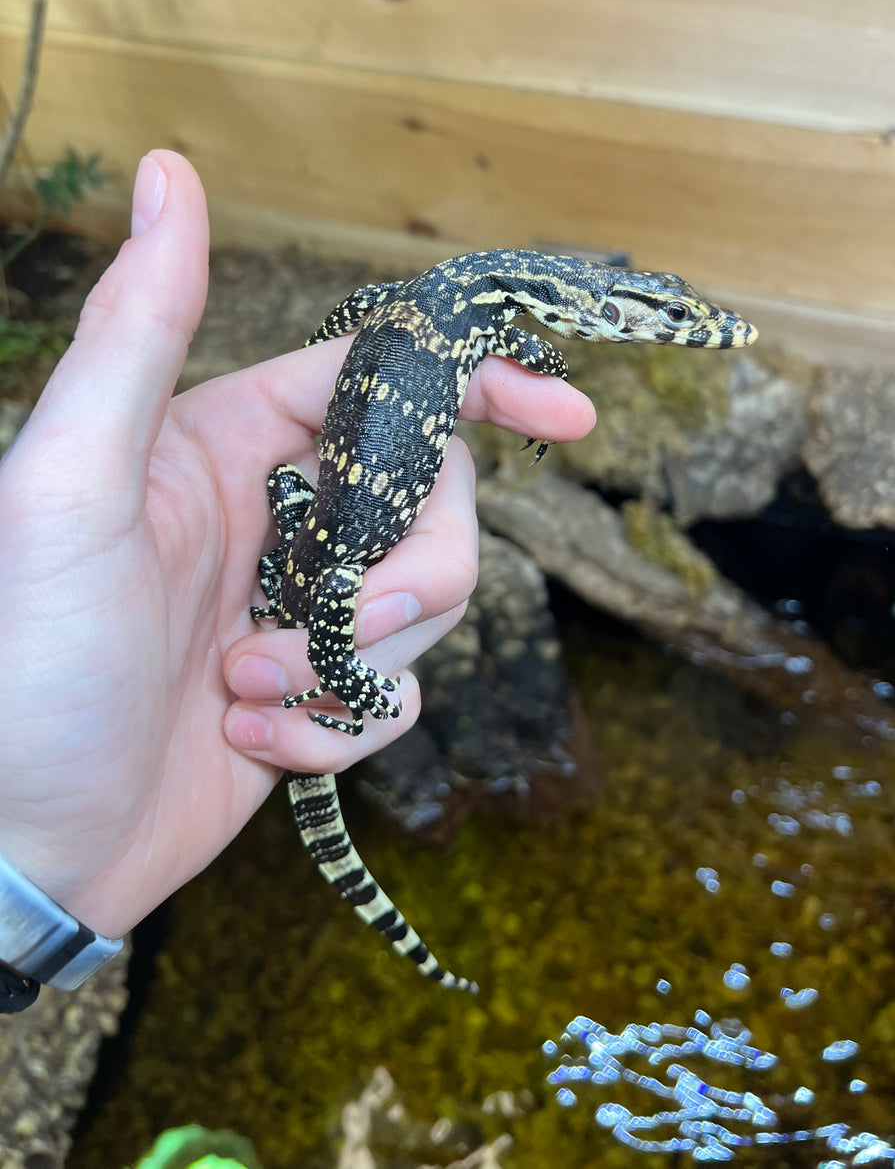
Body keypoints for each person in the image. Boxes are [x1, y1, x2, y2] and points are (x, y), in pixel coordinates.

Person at [0, 151, 595, 1001]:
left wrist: (34, 871)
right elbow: (477, 341)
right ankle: (359, 696)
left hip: (304, 545)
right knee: (346, 628)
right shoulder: (480, 319)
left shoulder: (456, 305)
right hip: (315, 557)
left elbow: (360, 317)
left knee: (333, 587)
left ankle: (350, 692)